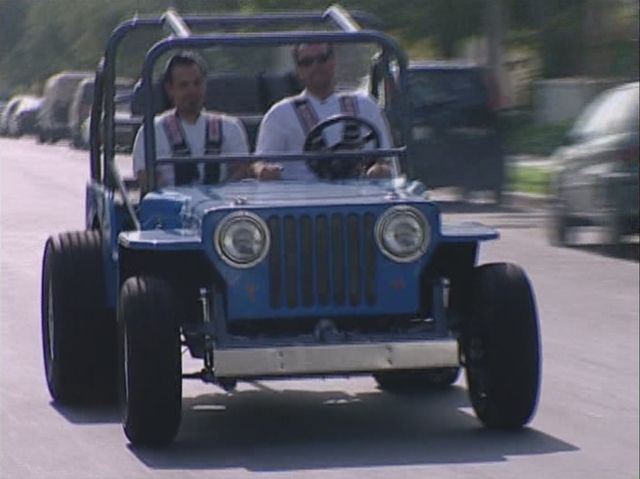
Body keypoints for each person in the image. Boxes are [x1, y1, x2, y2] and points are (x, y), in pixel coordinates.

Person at [253, 43, 394, 180]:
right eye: (307, 62)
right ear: (298, 71)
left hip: (359, 190)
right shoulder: (280, 113)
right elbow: (260, 163)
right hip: (300, 195)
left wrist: (379, 169)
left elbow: (385, 159)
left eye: (322, 59)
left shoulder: (365, 104)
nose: (316, 66)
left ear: (333, 61)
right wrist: (265, 171)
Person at [132, 51, 250, 189]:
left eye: (197, 83)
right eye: (184, 85)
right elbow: (145, 179)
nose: (192, 91)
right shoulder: (152, 131)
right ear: (170, 89)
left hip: (220, 205)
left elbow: (242, 171)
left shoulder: (230, 127)